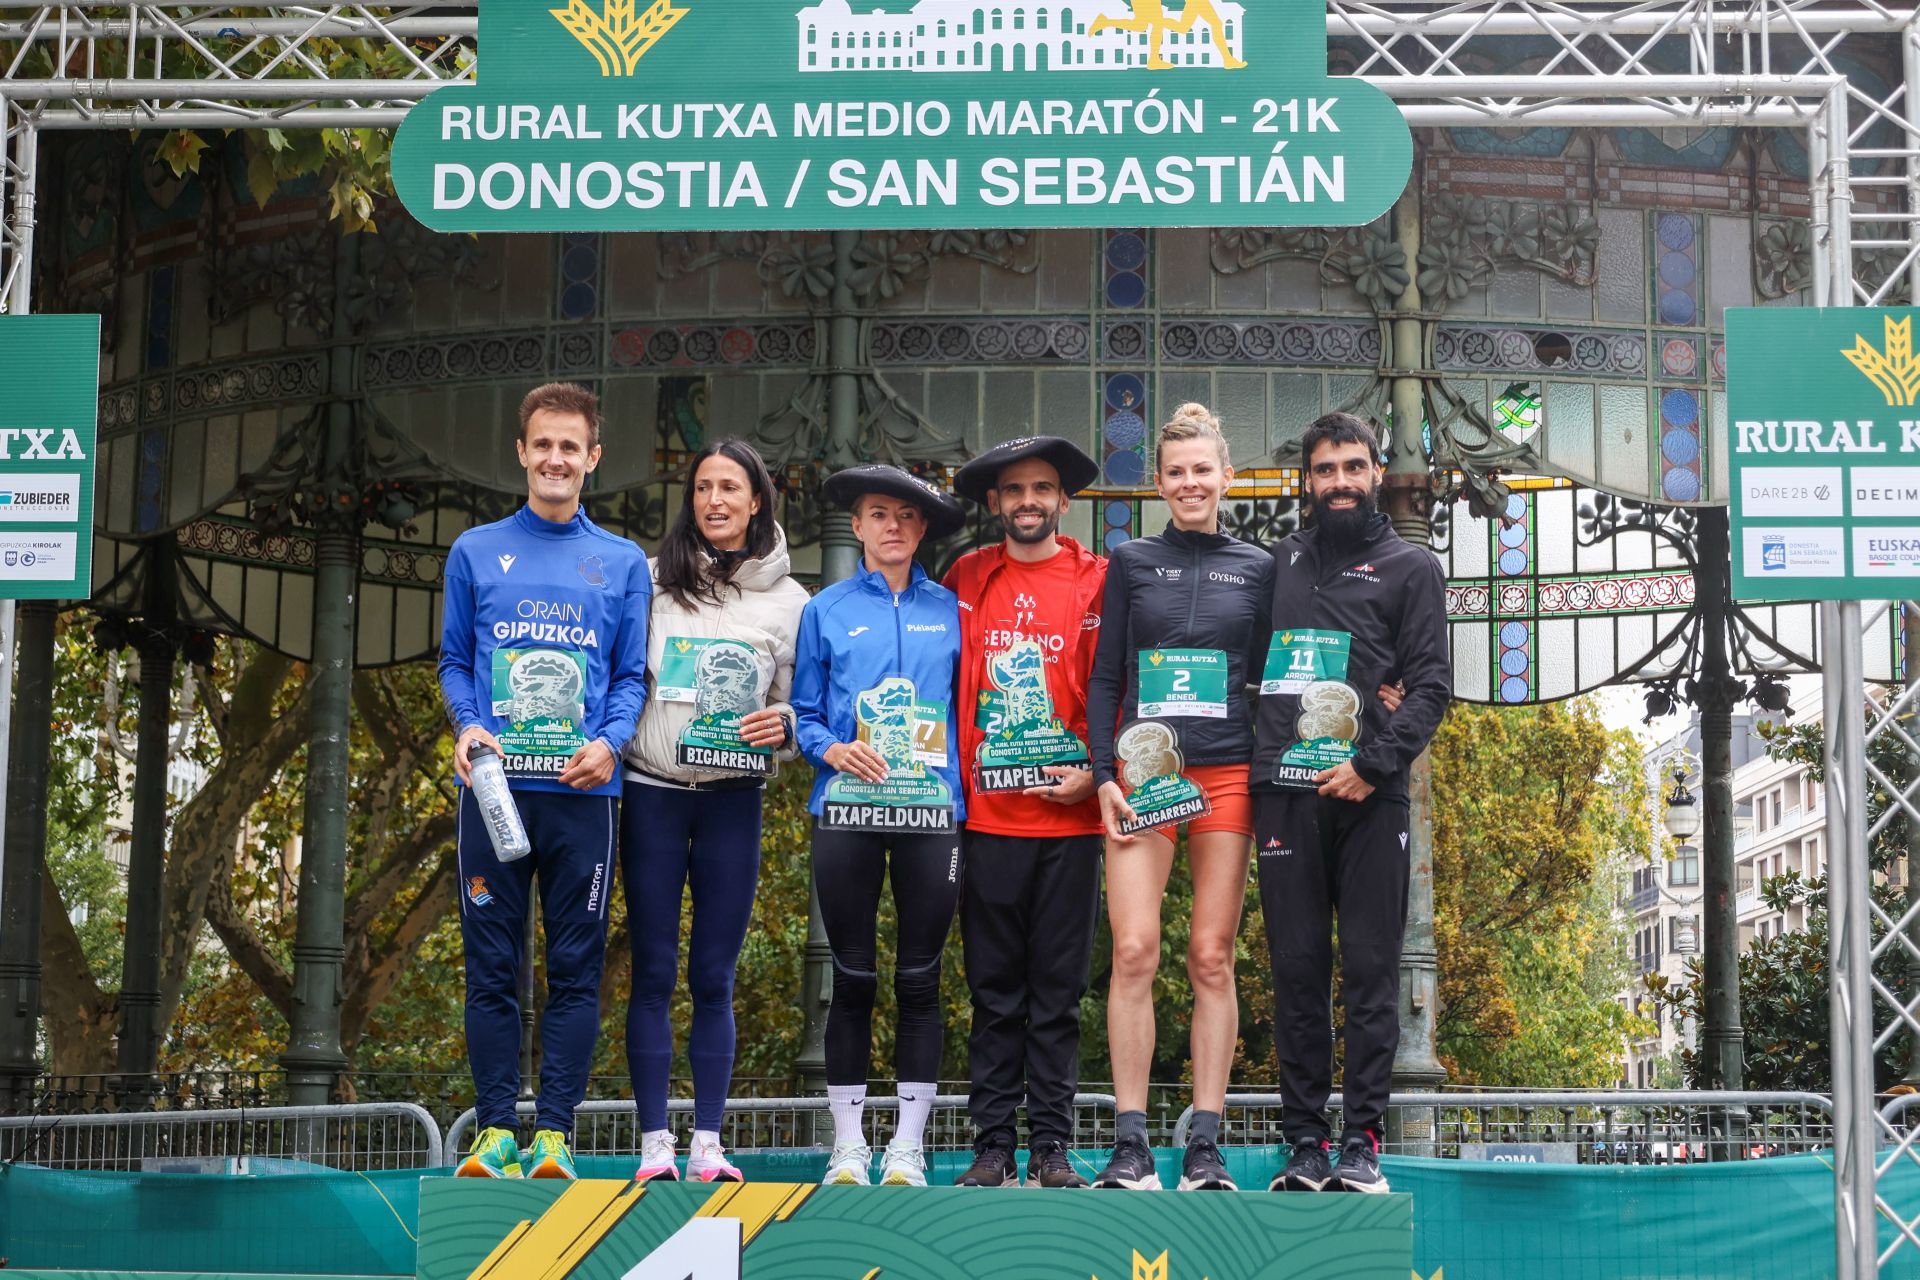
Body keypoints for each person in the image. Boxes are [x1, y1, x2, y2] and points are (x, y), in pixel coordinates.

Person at [439, 382, 650, 1181]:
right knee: (492, 966)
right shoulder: (474, 551)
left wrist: (612, 740)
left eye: (572, 446)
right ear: (521, 452)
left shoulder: (623, 562)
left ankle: (555, 1133)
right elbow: (456, 661)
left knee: (575, 967)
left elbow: (631, 675)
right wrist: (467, 723)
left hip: (584, 798)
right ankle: (496, 1131)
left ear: (593, 459)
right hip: (493, 794)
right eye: (544, 444)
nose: (557, 458)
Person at [1255, 411, 1450, 1196]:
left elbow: (1432, 687)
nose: (1340, 480)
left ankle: (1361, 1143)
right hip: (1285, 798)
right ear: (1307, 480)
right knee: (1297, 974)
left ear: (1376, 474)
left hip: (1372, 798)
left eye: (1354, 466)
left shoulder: (1412, 568)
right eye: (1326, 468)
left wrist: (1374, 763)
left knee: (1371, 974)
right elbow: (1244, 666)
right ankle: (1305, 1142)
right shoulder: (1278, 565)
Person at [1084, 404, 1273, 1193]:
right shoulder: (1128, 561)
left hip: (1226, 774)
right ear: (1157, 481)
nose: (1191, 483)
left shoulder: (1261, 567)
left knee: (1210, 957)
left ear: (1227, 476)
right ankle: (1131, 1143)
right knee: (1132, 952)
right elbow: (1104, 678)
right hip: (1144, 776)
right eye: (1176, 472)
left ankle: (1204, 1142)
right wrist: (1101, 775)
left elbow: (1281, 674)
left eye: (1204, 469)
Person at [620, 439, 809, 1185]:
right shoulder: (648, 580)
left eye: (730, 487)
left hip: (734, 804)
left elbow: (801, 709)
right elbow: (617, 678)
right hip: (652, 795)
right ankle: (653, 1145)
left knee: (714, 977)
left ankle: (705, 1143)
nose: (715, 501)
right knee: (654, 971)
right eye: (702, 488)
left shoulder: (792, 601)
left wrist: (787, 727)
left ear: (757, 499)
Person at [791, 463, 968, 1188]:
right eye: (877, 513)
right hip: (848, 812)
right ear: (856, 526)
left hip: (932, 815)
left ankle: (908, 1147)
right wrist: (830, 747)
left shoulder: (954, 611)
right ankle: (848, 1146)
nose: (892, 525)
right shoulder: (824, 609)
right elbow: (801, 713)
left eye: (906, 515)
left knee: (920, 981)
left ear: (922, 528)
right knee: (853, 979)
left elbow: (971, 714)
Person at [944, 436, 1108, 1190]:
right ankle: (992, 1145)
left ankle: (1051, 1145)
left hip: (1070, 824)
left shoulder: (1098, 580)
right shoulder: (967, 577)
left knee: (1059, 996)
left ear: (1063, 500)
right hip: (987, 821)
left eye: (1042, 488)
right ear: (994, 505)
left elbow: (1121, 687)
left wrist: (1096, 774)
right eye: (1015, 490)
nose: (1029, 501)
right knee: (993, 993)